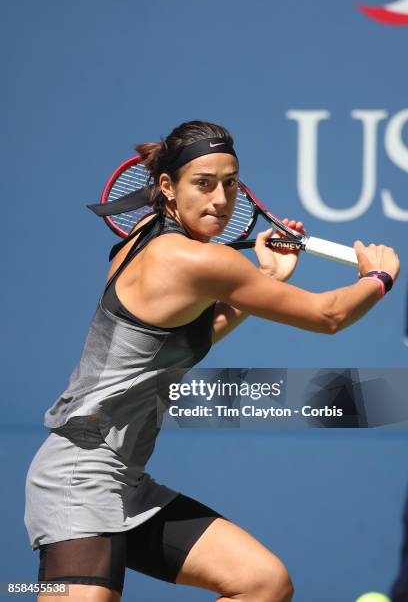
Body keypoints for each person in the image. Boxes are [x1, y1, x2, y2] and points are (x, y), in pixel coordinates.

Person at [24, 120, 400, 602]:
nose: (220, 200)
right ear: (167, 186)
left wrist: (267, 277)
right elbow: (328, 315)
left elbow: (190, 337)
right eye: (203, 184)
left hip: (126, 484)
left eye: (230, 184)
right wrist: (379, 276)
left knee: (261, 584)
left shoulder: (147, 237)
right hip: (78, 479)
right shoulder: (195, 260)